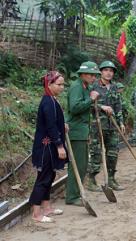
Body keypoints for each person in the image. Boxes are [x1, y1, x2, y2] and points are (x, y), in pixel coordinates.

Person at [29, 71, 68, 223]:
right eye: (59, 84)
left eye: (63, 84)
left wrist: (62, 125)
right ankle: (36, 214)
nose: (62, 87)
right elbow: (50, 126)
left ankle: (47, 207)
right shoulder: (48, 102)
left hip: (50, 145)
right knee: (43, 178)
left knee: (50, 176)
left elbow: (53, 122)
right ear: (49, 85)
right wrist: (59, 145)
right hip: (46, 147)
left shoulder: (52, 100)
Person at [65, 61, 100, 206]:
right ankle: (72, 197)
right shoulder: (76, 87)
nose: (94, 78)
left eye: (95, 75)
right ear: (83, 74)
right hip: (76, 131)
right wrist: (90, 99)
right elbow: (74, 107)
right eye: (92, 75)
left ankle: (75, 193)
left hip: (83, 131)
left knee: (83, 164)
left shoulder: (86, 87)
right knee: (77, 164)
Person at [87, 60, 125, 191]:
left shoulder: (115, 87)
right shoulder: (93, 87)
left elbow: (118, 106)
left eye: (111, 71)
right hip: (97, 125)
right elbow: (88, 104)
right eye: (106, 70)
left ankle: (111, 179)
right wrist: (101, 106)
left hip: (112, 126)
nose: (109, 73)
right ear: (101, 72)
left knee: (113, 153)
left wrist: (121, 122)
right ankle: (91, 180)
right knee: (96, 153)